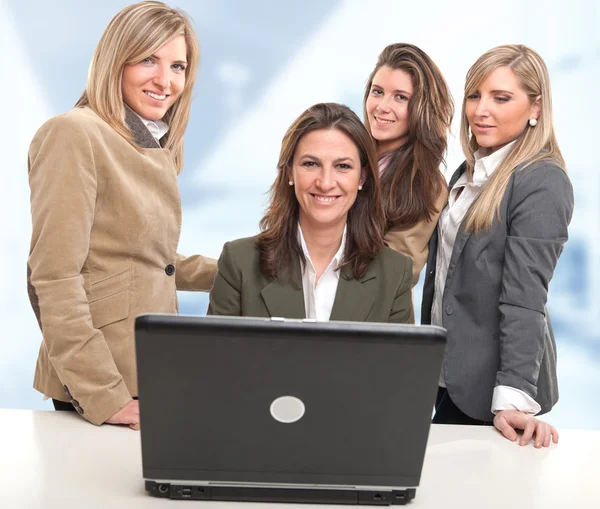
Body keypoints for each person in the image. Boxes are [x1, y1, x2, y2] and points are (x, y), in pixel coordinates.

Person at [27, 1, 217, 428]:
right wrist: (103, 395)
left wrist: (242, 268)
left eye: (178, 66)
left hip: (145, 366)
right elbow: (53, 277)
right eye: (148, 58)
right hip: (103, 378)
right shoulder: (74, 133)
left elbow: (145, 262)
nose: (165, 80)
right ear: (117, 58)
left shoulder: (148, 145)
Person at [421, 45, 574, 447]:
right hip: (447, 374)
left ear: (535, 107)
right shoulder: (471, 172)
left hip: (490, 390)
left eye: (501, 98)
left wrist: (513, 398)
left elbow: (526, 297)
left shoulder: (541, 181)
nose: (480, 110)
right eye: (475, 95)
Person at [208, 103, 413, 324]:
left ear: (362, 178)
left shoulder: (395, 273)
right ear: (290, 173)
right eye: (311, 164)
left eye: (342, 166)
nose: (325, 183)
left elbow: (398, 360)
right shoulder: (239, 262)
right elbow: (216, 357)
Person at [363, 43, 453, 290]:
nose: (382, 106)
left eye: (400, 97)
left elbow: (394, 274)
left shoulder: (427, 184)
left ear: (422, 109)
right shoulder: (343, 156)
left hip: (369, 321)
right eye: (377, 91)